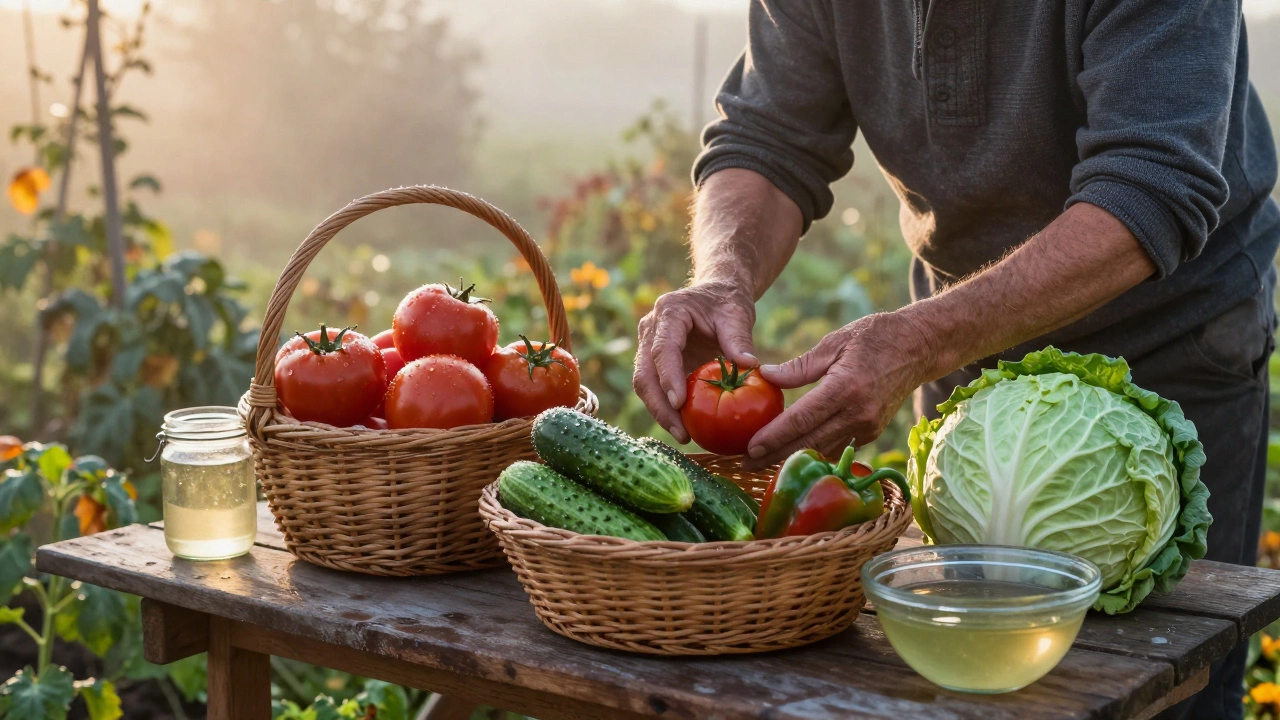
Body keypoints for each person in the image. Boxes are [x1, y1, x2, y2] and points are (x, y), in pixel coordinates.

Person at [631, 1, 1278, 717]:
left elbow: (1152, 189)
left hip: (1169, 341)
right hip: (969, 353)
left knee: (1165, 680)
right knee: (973, 678)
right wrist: (722, 276)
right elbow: (766, 139)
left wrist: (924, 339)